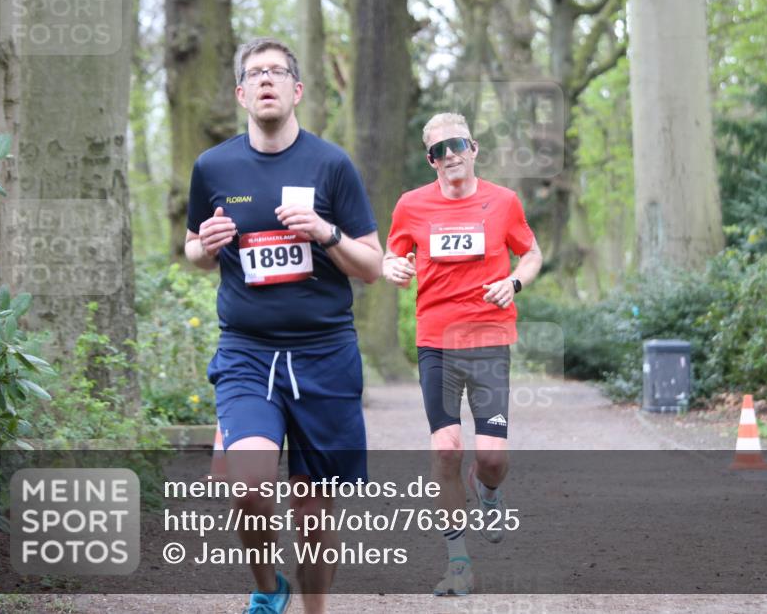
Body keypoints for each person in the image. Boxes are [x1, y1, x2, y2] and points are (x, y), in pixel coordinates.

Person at [185, 37, 381, 614]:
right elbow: (194, 246)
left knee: (313, 514)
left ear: (296, 90)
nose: (265, 79)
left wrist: (326, 233)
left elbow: (372, 266)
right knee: (246, 485)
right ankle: (269, 587)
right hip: (248, 351)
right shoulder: (214, 166)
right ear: (242, 93)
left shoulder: (331, 165)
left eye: (277, 72)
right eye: (254, 72)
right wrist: (205, 248)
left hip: (325, 354)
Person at [382, 112, 543, 595]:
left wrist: (513, 282)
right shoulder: (411, 206)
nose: (449, 155)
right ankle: (458, 562)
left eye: (456, 145)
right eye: (438, 150)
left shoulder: (504, 202)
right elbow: (393, 254)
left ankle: (488, 490)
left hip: (490, 339)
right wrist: (393, 267)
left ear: (472, 148)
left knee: (491, 457)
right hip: (436, 341)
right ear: (430, 159)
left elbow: (532, 253)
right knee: (446, 448)